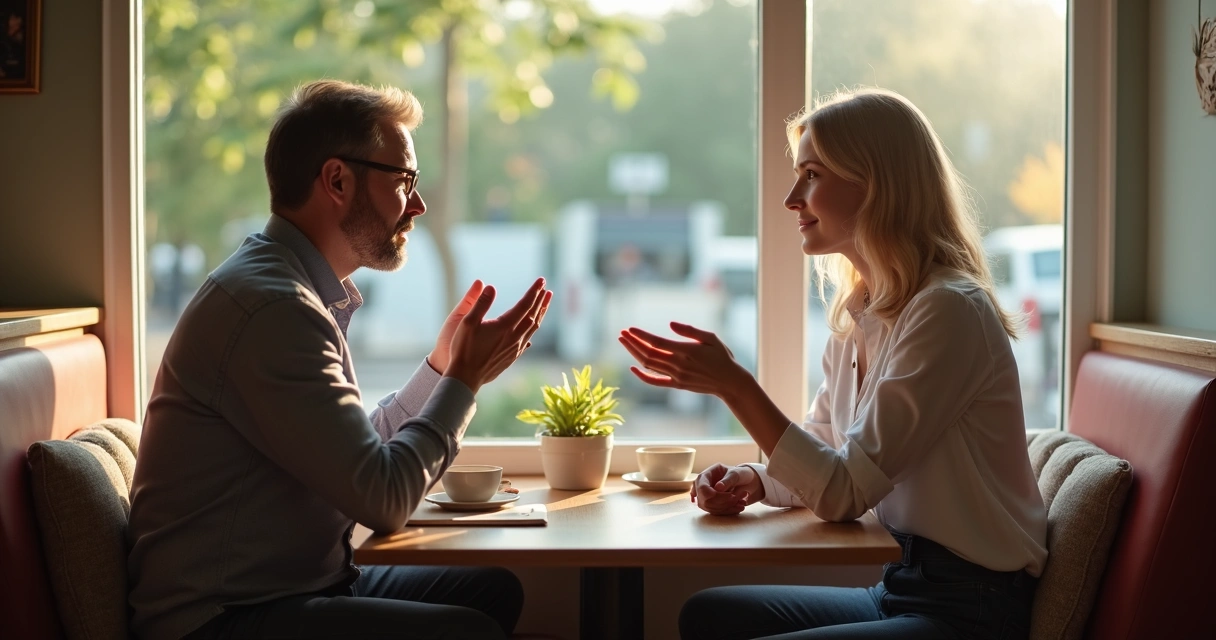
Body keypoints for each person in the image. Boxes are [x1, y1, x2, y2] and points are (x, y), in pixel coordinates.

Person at [128, 79, 551, 640]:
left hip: (289, 590)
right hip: (219, 618)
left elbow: (356, 456)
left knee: (490, 588)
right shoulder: (273, 307)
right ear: (337, 180)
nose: (418, 204)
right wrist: (466, 381)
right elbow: (383, 499)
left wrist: (442, 370)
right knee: (464, 629)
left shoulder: (287, 287)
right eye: (405, 180)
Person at [619, 88, 1047, 639]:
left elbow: (842, 493)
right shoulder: (861, 314)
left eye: (813, 175)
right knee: (707, 614)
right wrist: (753, 479)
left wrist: (737, 388)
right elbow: (825, 447)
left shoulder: (947, 312)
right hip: (902, 587)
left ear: (877, 186)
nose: (791, 198)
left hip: (971, 608)